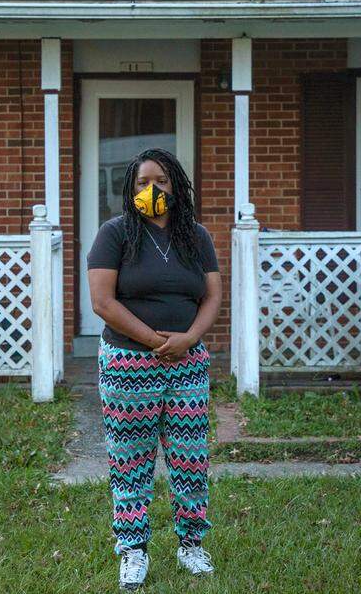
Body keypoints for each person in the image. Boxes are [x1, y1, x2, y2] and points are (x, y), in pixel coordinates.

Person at [86, 147, 223, 591]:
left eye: (161, 181)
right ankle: (133, 551)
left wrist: (188, 339)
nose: (152, 190)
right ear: (131, 190)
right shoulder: (115, 234)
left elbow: (212, 297)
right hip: (128, 362)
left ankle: (191, 545)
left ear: (176, 187)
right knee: (131, 459)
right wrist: (156, 342)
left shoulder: (196, 237)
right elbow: (102, 302)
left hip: (187, 364)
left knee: (189, 458)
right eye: (143, 183)